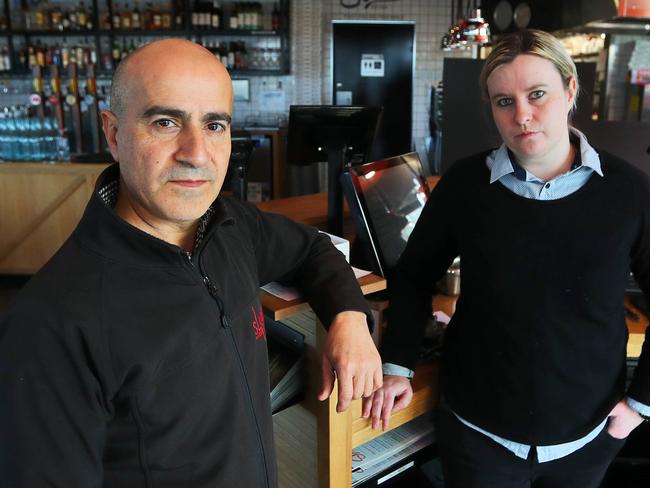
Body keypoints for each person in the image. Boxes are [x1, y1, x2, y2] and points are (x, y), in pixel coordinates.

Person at [0, 39, 382, 487]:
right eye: (165, 122)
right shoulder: (49, 326)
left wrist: (350, 319)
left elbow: (313, 248)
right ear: (114, 134)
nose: (197, 153)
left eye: (215, 125)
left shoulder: (228, 222)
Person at [364, 29, 650, 487]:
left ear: (570, 89)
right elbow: (415, 274)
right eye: (504, 102)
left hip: (587, 438)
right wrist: (398, 365)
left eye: (538, 94)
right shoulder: (464, 185)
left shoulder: (630, 191)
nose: (522, 115)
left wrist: (639, 406)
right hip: (478, 433)